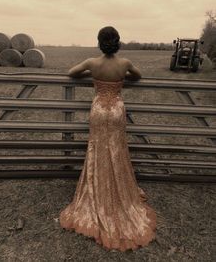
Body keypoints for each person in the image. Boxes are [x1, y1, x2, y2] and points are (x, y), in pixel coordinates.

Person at [59, 26, 157, 252]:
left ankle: (98, 189)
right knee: (116, 149)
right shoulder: (125, 63)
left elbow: (71, 72)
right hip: (115, 111)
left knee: (97, 149)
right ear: (118, 42)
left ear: (99, 42)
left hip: (98, 110)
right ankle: (118, 190)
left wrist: (90, 74)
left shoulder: (92, 63)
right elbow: (138, 76)